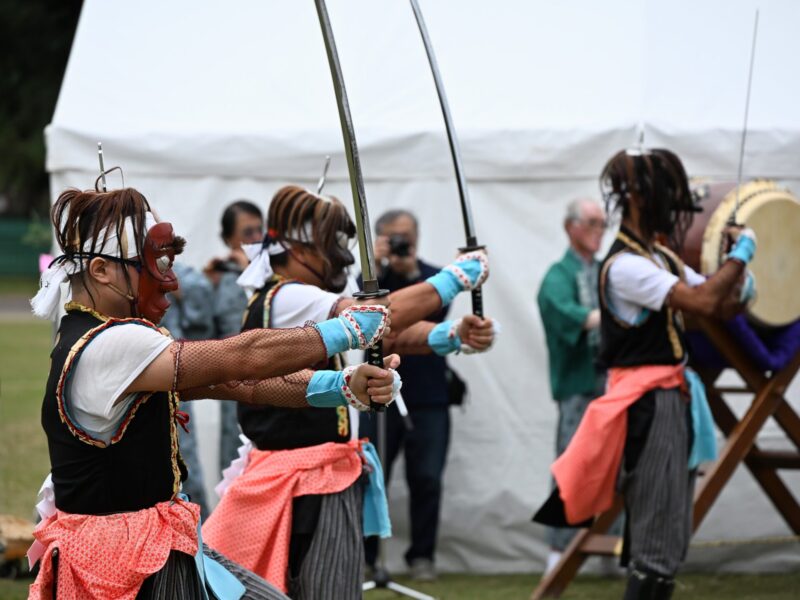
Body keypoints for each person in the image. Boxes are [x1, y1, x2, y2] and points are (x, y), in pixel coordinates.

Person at [27, 186, 398, 599]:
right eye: (152, 262)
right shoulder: (109, 344)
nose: (167, 279)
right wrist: (344, 330)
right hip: (128, 566)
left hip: (154, 546)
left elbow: (235, 383)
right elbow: (240, 358)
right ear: (100, 270)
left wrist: (340, 386)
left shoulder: (108, 337)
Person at [202, 186, 494, 600]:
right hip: (307, 480)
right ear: (299, 249)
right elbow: (372, 319)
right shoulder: (290, 296)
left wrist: (447, 335)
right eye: (331, 244)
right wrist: (452, 280)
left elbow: (378, 333)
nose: (341, 255)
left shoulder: (299, 298)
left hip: (308, 476)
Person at [534, 148, 756, 599]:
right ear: (639, 198)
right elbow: (704, 304)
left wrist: (742, 272)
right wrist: (741, 255)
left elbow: (722, 302)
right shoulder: (627, 266)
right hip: (648, 405)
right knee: (656, 539)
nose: (676, 206)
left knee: (671, 535)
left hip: (669, 398)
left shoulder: (658, 258)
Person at [361, 209, 468, 582]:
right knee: (372, 478)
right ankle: (367, 556)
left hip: (429, 395)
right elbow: (354, 316)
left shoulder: (432, 278)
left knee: (427, 478)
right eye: (394, 237)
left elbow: (439, 316)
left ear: (418, 236)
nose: (403, 243)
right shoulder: (370, 281)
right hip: (375, 393)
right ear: (380, 239)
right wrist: (377, 265)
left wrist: (407, 274)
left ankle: (422, 556)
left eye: (407, 236)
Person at [536, 198, 611, 573]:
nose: (600, 230)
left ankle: (616, 550)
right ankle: (558, 552)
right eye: (593, 223)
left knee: (618, 464)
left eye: (603, 223)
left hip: (613, 383)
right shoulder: (557, 276)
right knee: (572, 463)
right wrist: (608, 317)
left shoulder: (605, 271)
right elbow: (563, 312)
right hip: (580, 384)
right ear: (572, 227)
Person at [205, 200, 266, 475]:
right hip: (235, 383)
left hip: (272, 375)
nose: (254, 238)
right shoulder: (221, 277)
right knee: (235, 456)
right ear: (230, 239)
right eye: (246, 233)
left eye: (258, 231)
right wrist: (206, 287)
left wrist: (251, 271)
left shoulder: (272, 272)